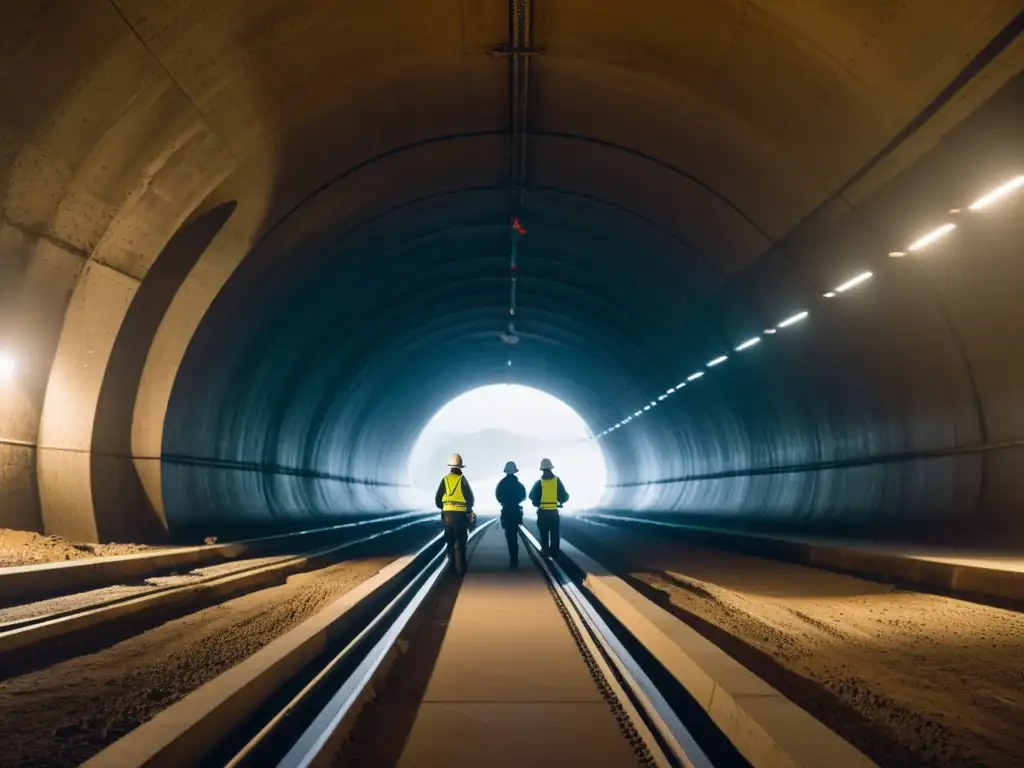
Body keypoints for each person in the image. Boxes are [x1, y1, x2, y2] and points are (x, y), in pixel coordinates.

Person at [435, 453, 475, 573]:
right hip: (461, 516)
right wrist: (469, 510)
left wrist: (444, 508)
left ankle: (451, 563)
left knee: (450, 540)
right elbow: (470, 499)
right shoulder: (462, 480)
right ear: (460, 467)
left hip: (447, 515)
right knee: (461, 541)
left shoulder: (445, 480)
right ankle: (461, 568)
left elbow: (438, 499)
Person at [529, 458, 569, 557]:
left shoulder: (539, 482)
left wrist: (536, 503)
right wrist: (560, 501)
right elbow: (564, 496)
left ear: (542, 469)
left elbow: (531, 496)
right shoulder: (557, 481)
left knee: (544, 533)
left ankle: (545, 551)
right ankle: (555, 551)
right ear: (551, 468)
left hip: (542, 513)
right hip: (554, 512)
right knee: (555, 533)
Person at [495, 461, 527, 567]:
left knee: (509, 535)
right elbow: (523, 496)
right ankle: (515, 557)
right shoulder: (519, 484)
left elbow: (498, 496)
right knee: (514, 534)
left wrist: (503, 502)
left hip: (506, 510)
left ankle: (512, 557)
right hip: (516, 511)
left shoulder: (501, 484)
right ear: (515, 471)